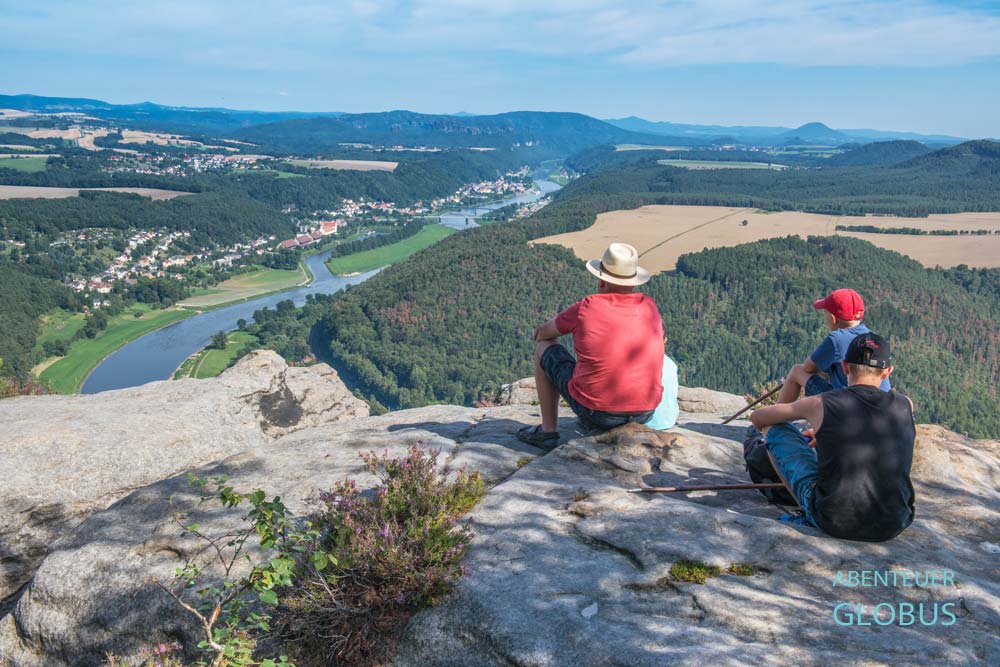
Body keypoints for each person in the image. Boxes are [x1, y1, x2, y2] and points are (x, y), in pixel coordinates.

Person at [750, 332, 915, 542]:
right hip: (894, 524)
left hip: (833, 521)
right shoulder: (906, 405)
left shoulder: (821, 404)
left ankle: (806, 511)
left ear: (845, 366)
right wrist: (828, 436)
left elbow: (759, 418)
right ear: (886, 373)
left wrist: (820, 428)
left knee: (774, 429)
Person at [517, 242, 664, 450]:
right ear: (633, 281)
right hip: (645, 412)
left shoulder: (587, 307)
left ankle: (547, 431)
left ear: (602, 279)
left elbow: (543, 334)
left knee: (544, 347)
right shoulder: (649, 306)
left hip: (599, 413)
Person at [777, 288, 890, 404]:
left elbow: (808, 368)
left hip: (846, 404)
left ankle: (776, 418)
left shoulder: (836, 339)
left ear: (832, 318)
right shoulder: (873, 337)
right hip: (879, 405)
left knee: (797, 370)